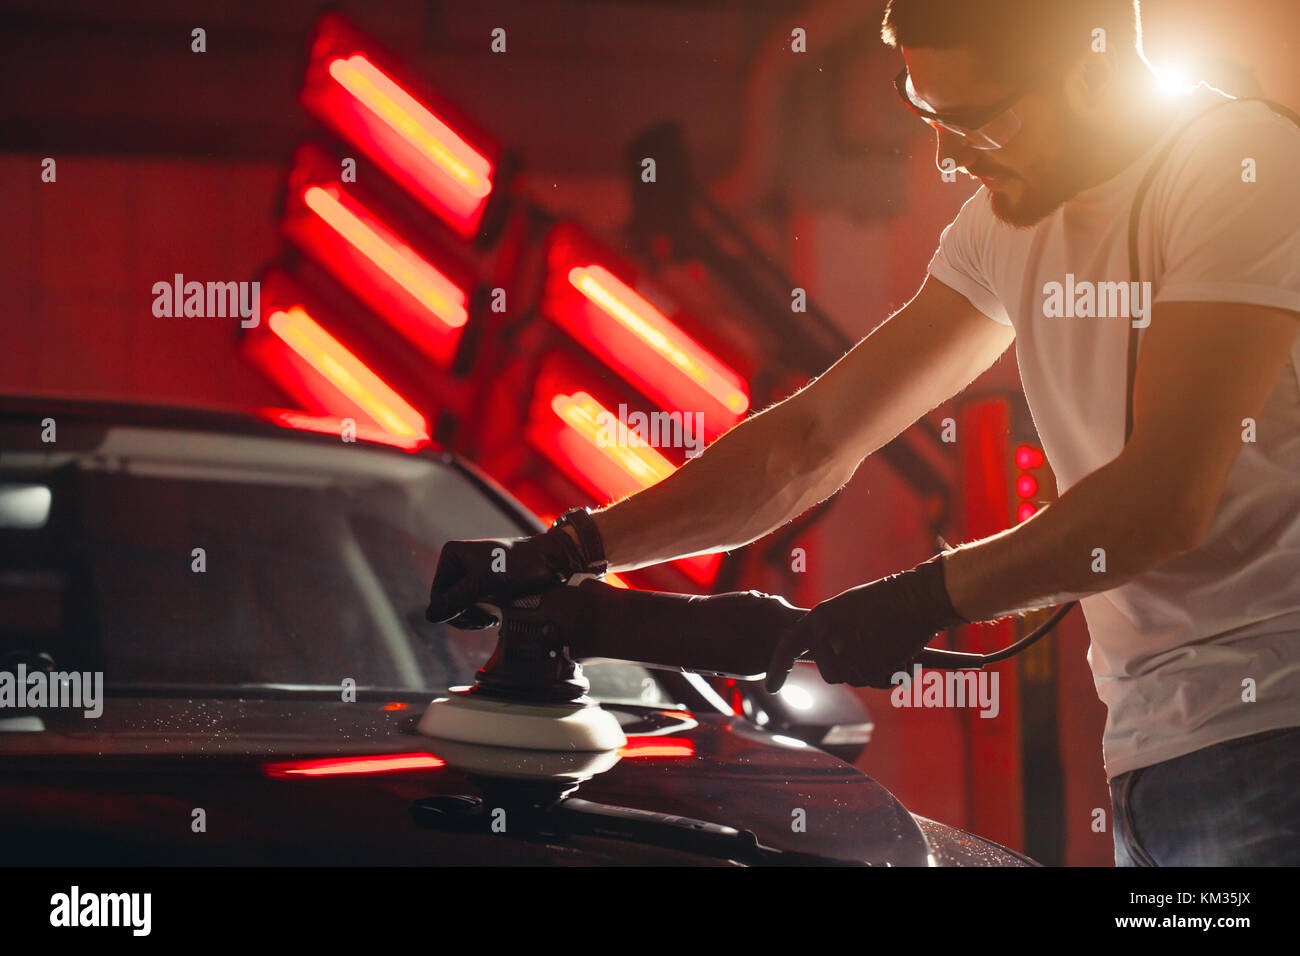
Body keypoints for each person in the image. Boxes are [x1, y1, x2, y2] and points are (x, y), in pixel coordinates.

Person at [427, 0, 1300, 866]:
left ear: (1096, 71)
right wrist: (572, 547)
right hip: (1156, 754)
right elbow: (803, 443)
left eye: (974, 121)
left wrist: (928, 597)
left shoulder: (1235, 167)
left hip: (1276, 738)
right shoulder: (1003, 226)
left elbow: (1164, 499)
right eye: (927, 116)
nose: (951, 157)